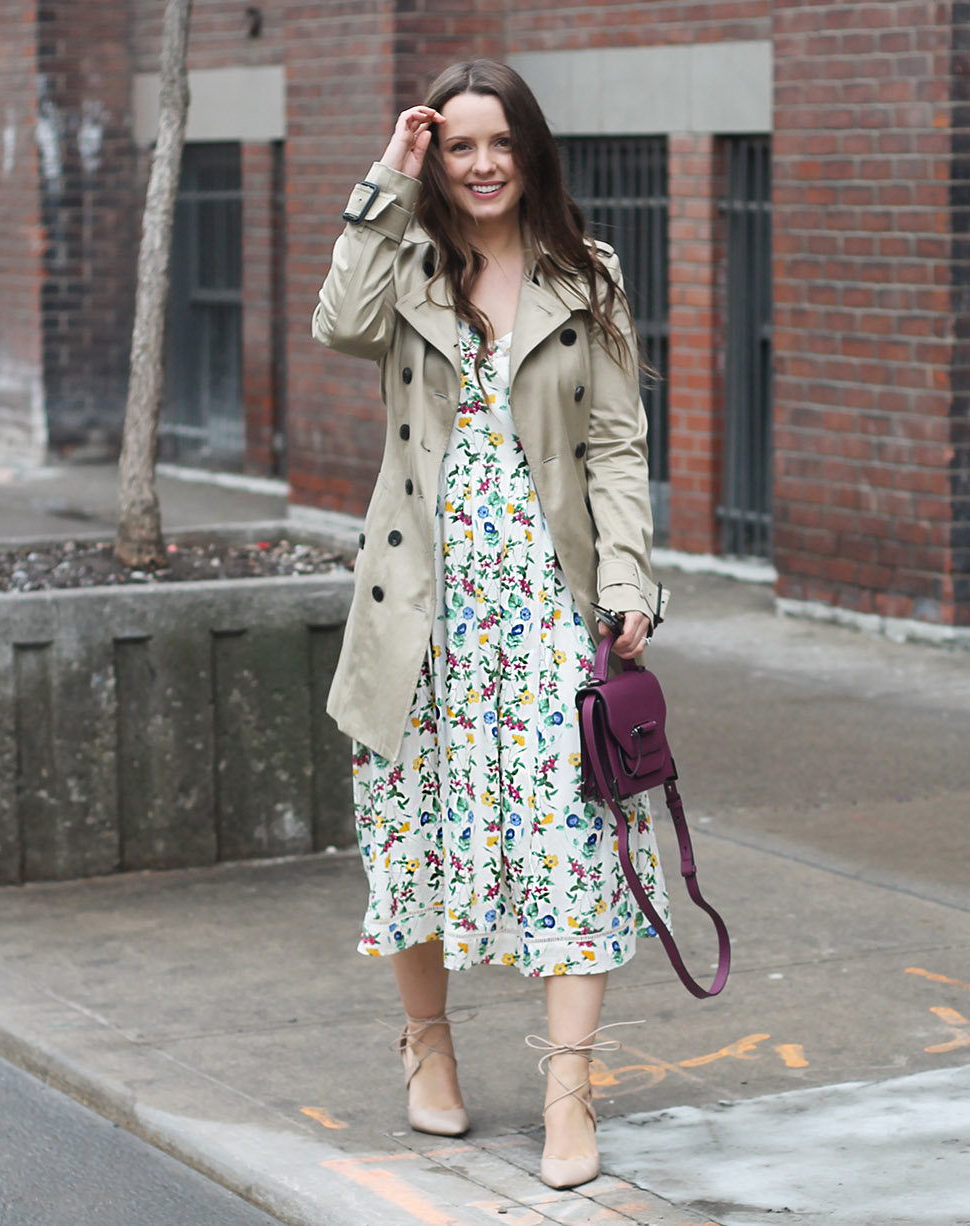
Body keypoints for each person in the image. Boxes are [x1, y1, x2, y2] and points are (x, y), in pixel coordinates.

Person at [312, 58, 671, 1190]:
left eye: (498, 143)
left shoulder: (587, 273)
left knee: (574, 842)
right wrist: (385, 177)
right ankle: (429, 1050)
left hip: (546, 607)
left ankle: (569, 1090)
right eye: (458, 145)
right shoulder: (407, 263)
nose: (480, 165)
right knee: (414, 829)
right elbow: (336, 321)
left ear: (531, 151)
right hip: (423, 607)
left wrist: (630, 579)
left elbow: (615, 442)